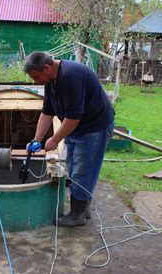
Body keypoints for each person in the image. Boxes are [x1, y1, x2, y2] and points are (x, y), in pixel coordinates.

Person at [23, 51, 114, 227]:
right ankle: (83, 207)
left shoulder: (71, 76)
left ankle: (77, 215)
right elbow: (47, 112)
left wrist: (54, 139)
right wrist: (36, 140)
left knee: (83, 169)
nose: (35, 82)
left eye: (36, 77)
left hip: (94, 127)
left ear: (46, 68)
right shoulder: (51, 81)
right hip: (77, 128)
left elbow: (73, 117)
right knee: (73, 166)